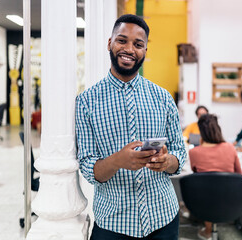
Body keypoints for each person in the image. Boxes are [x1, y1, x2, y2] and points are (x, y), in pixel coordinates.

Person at [75, 14, 186, 240]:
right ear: (110, 43)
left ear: (145, 51)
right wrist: (118, 161)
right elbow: (87, 166)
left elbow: (180, 154)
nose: (129, 49)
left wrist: (167, 162)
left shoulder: (163, 97)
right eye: (122, 40)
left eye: (138, 44)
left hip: (163, 219)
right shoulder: (86, 101)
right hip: (113, 224)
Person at [189, 114, 242, 240]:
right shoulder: (230, 148)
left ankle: (208, 231)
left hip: (203, 204)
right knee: (217, 190)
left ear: (201, 132)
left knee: (207, 190)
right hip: (230, 201)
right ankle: (211, 229)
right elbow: (239, 174)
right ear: (218, 129)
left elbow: (196, 175)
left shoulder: (194, 152)